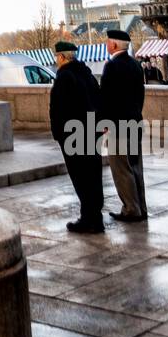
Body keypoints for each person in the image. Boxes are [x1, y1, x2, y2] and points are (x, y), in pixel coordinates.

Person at [49, 40, 104, 234]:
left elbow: (58, 109)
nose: (56, 60)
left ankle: (89, 219)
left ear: (62, 57)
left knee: (81, 177)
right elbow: (99, 101)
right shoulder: (86, 74)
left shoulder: (64, 77)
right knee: (93, 175)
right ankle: (95, 217)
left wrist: (59, 134)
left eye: (57, 56)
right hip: (91, 132)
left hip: (73, 136)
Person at [100, 28, 148, 222]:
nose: (106, 45)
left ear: (113, 44)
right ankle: (141, 207)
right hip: (135, 121)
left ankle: (130, 208)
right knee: (136, 166)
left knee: (121, 169)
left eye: (107, 42)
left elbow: (106, 98)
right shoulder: (136, 65)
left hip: (117, 125)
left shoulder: (111, 67)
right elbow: (140, 95)